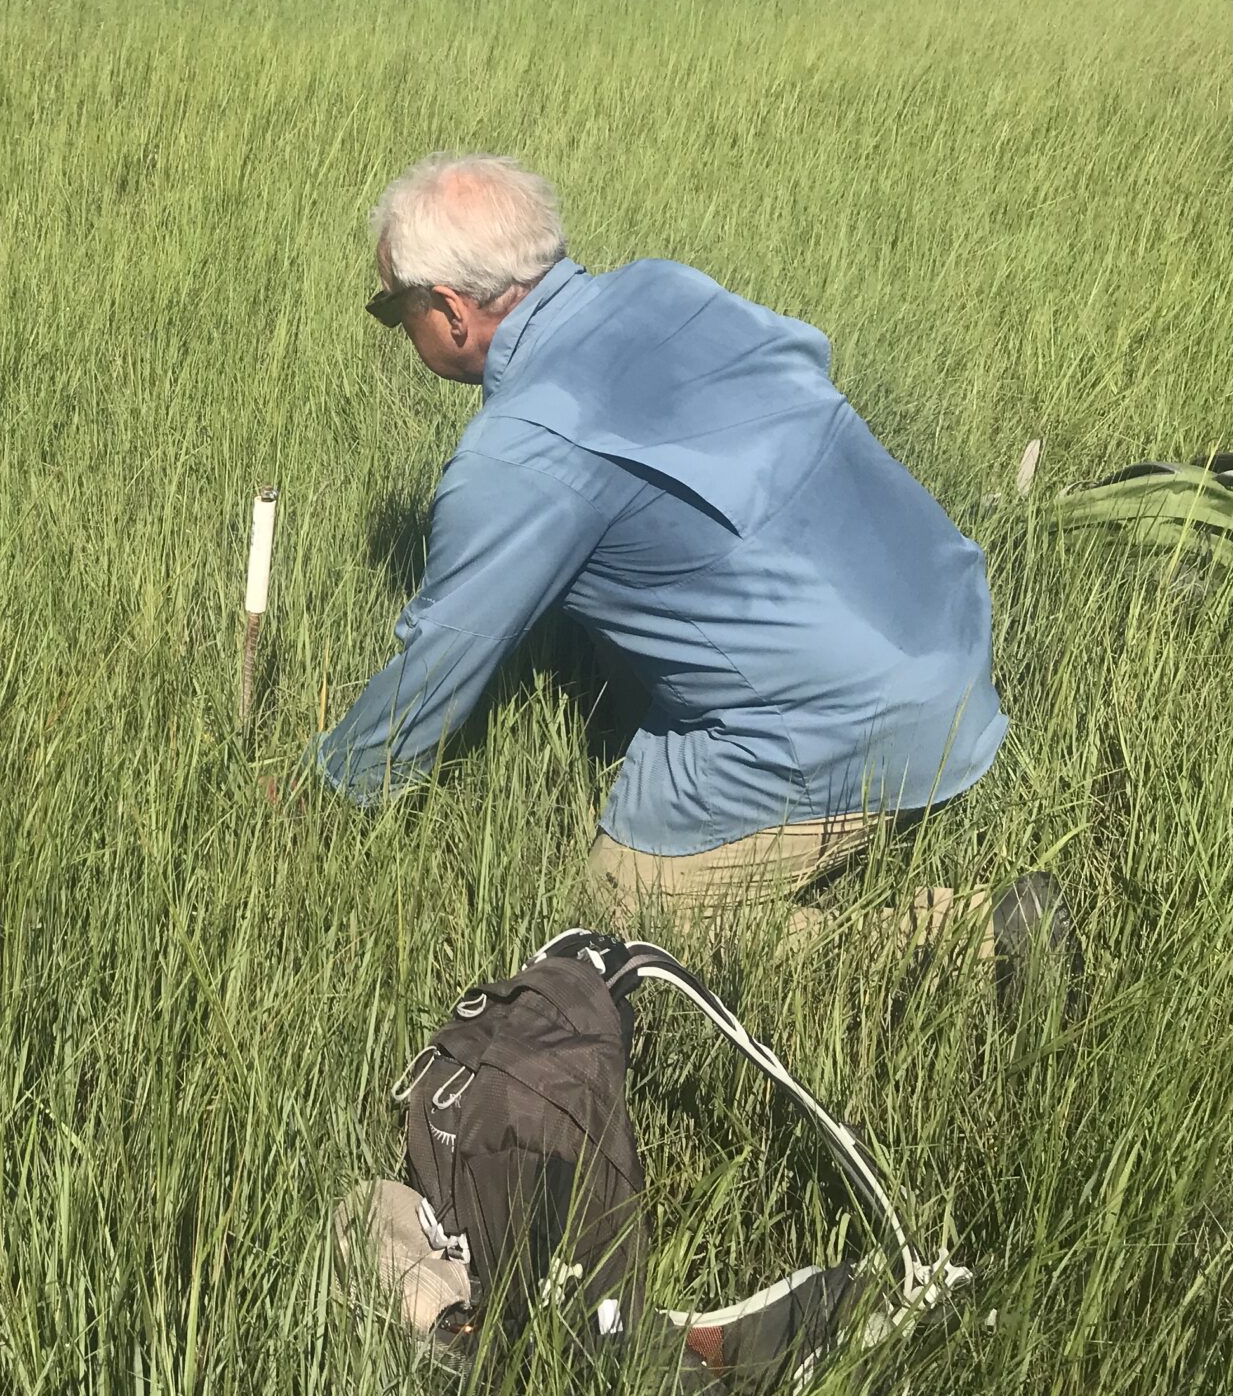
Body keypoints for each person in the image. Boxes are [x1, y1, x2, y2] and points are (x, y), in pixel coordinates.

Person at [316, 152, 1064, 954]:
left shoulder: (520, 451)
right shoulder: (666, 287)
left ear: (453, 311)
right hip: (949, 626)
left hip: (867, 724)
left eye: (396, 313)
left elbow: (441, 661)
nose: (402, 332)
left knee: (628, 912)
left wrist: (321, 797)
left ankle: (973, 938)